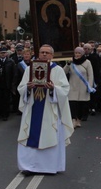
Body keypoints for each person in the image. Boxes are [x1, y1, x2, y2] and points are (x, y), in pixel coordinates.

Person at [16, 44, 74, 174]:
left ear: (52, 55)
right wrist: (28, 88)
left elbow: (65, 90)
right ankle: (29, 166)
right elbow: (21, 87)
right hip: (32, 107)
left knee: (49, 135)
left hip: (49, 108)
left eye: (47, 53)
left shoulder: (57, 70)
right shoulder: (29, 69)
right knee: (30, 134)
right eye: (42, 52)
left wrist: (54, 88)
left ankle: (49, 166)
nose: (44, 54)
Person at [64, 47, 95, 128]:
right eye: (76, 53)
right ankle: (73, 119)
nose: (77, 55)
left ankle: (79, 119)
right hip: (72, 86)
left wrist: (90, 86)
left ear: (82, 54)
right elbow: (64, 72)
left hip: (83, 87)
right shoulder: (71, 62)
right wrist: (67, 64)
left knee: (82, 105)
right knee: (72, 104)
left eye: (79, 53)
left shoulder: (87, 62)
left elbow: (90, 75)